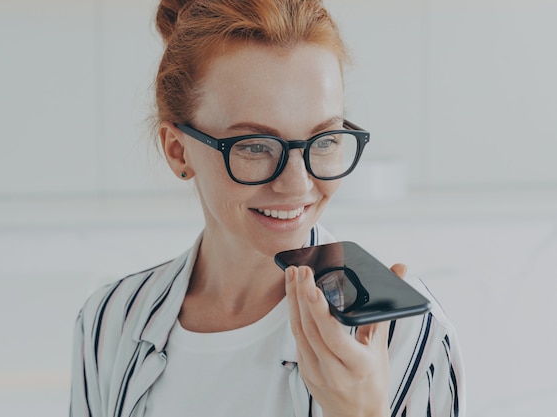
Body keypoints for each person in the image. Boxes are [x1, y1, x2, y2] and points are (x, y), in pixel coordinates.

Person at [70, 0, 465, 416]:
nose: (297, 184)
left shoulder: (405, 334)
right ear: (177, 150)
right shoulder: (110, 322)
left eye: (325, 139)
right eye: (255, 146)